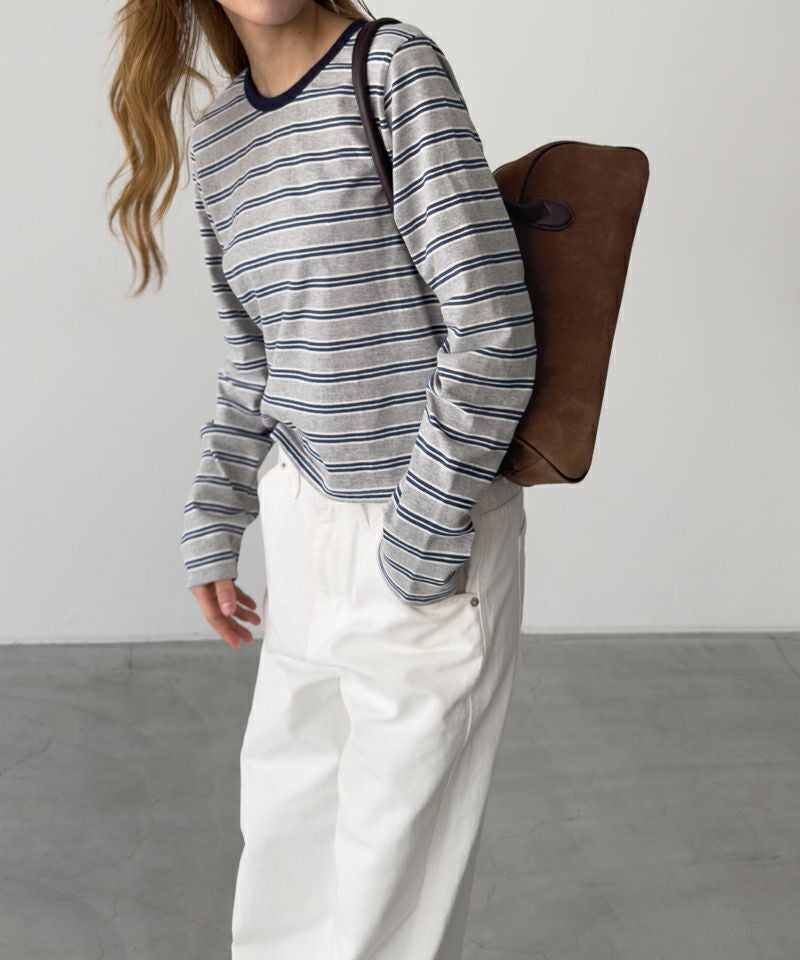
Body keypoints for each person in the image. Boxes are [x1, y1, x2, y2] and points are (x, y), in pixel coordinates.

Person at [108, 1, 537, 956]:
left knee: (386, 902)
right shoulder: (222, 138)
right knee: (283, 865)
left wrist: (418, 535)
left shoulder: (391, 71)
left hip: (425, 532)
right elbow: (253, 364)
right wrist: (215, 519)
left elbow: (493, 328)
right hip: (302, 532)